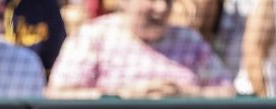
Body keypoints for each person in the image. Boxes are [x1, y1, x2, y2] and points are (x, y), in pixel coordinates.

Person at [46, 0, 235, 98]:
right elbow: (57, 93)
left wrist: (185, 94)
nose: (161, 8)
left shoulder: (189, 40)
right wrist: (122, 95)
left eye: (168, 0)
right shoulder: (93, 36)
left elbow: (227, 92)